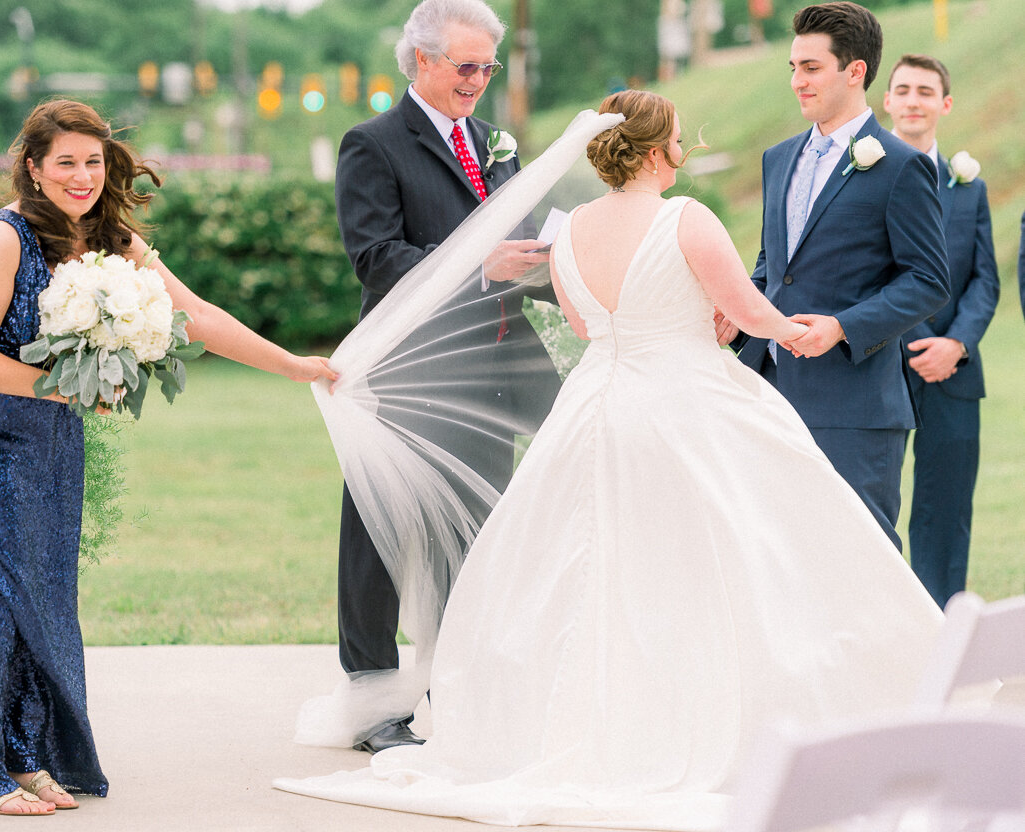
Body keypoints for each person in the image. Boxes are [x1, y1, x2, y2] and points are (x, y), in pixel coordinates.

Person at [275, 89, 942, 829]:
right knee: (721, 553)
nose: (684, 148)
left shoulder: (575, 230)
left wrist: (680, 315)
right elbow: (747, 314)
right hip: (685, 400)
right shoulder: (687, 217)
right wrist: (796, 328)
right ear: (659, 151)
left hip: (599, 403)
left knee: (590, 562)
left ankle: (585, 719)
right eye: (681, 137)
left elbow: (590, 324)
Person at [0, 99, 334, 816]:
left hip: (48, 440)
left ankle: (25, 753)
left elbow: (193, 315)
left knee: (41, 600)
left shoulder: (111, 241)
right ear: (32, 167)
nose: (82, 176)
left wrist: (294, 366)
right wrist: (67, 388)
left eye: (93, 161)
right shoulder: (2, 238)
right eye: (65, 163)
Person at [330, 0, 559, 753]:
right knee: (380, 542)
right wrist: (475, 267)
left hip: (490, 370)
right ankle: (374, 710)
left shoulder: (495, 143)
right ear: (421, 60)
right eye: (466, 66)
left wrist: (555, 259)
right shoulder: (373, 144)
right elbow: (377, 257)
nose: (478, 81)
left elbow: (520, 231)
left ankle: (457, 691)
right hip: (406, 372)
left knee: (476, 536)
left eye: (488, 67)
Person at [725, 1, 950, 549]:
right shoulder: (778, 158)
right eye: (794, 68)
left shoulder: (900, 165)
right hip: (768, 394)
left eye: (812, 67)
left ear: (856, 71)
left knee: (858, 561)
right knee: (775, 559)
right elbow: (774, 266)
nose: (798, 81)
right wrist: (736, 311)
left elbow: (927, 279)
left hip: (855, 408)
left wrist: (843, 327)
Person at [882, 53, 999, 609]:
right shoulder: (862, 176)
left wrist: (955, 344)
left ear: (944, 104)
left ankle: (943, 634)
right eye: (902, 89)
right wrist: (913, 339)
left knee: (946, 509)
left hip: (952, 371)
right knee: (872, 505)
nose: (912, 100)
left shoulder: (968, 186)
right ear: (886, 101)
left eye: (925, 92)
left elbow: (985, 280)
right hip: (881, 365)